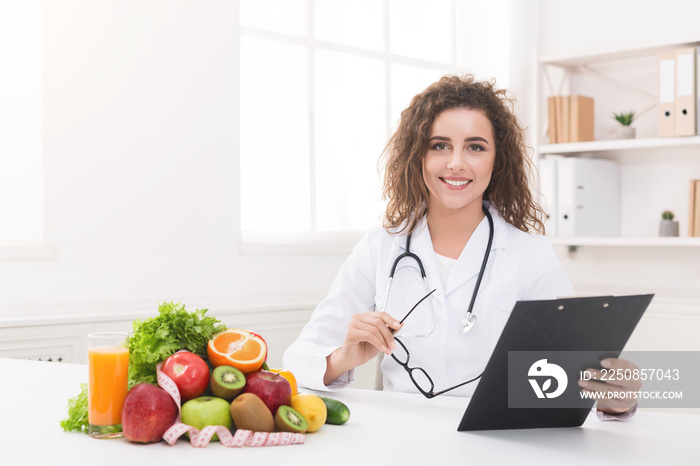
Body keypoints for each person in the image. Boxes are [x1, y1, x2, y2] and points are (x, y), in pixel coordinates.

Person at [283, 74, 639, 418]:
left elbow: (572, 374)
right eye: (439, 145)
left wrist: (614, 397)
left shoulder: (530, 254)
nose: (456, 163)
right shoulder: (381, 246)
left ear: (497, 159)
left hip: (496, 440)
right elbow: (298, 361)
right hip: (399, 440)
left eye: (475, 147)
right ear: (417, 156)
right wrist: (344, 357)